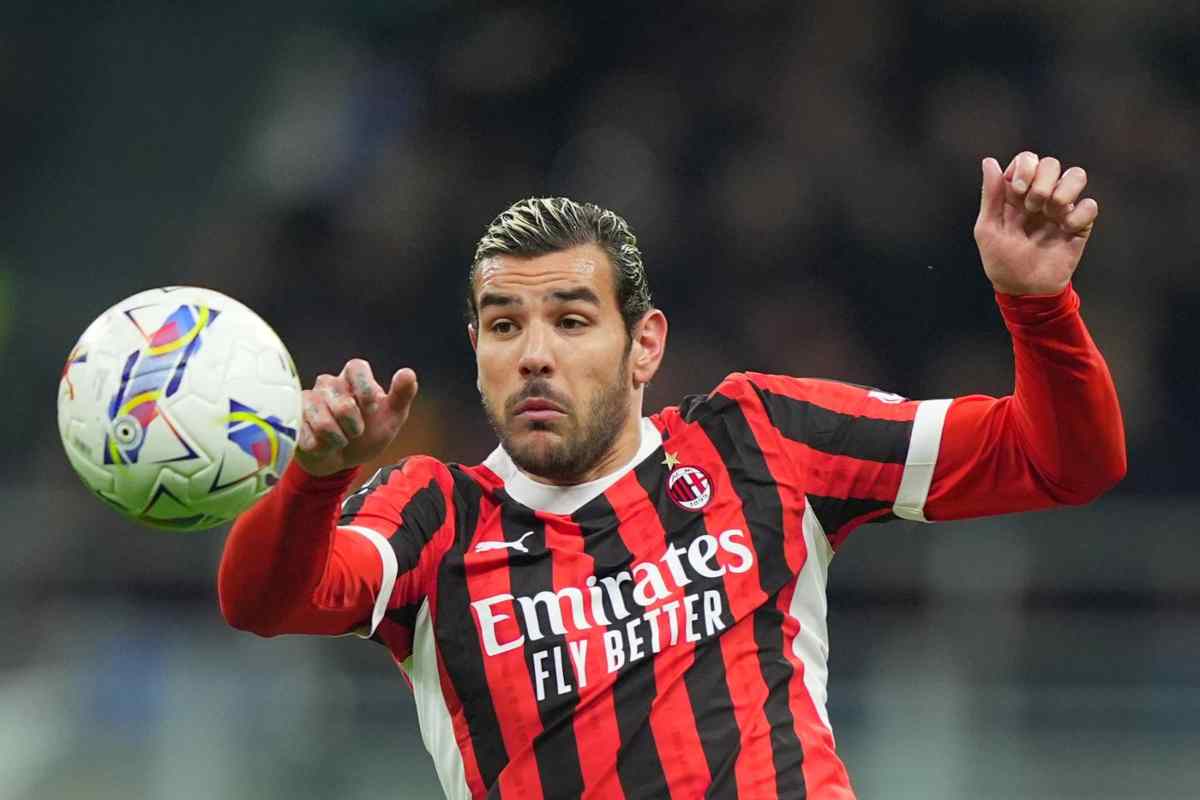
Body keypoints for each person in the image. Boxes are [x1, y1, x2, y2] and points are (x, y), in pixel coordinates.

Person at [218, 152, 1125, 799]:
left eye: (572, 321)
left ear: (644, 345)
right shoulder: (433, 513)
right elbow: (263, 601)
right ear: (477, 348)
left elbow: (1063, 462)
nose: (534, 355)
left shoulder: (758, 437)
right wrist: (315, 478)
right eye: (504, 326)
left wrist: (1038, 306)